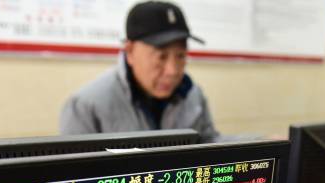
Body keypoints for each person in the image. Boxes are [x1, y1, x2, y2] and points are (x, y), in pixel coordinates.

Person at [60, 1, 219, 141]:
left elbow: (209, 144)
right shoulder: (85, 106)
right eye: (161, 57)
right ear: (130, 52)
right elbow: (74, 171)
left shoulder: (193, 95)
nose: (172, 71)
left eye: (181, 55)